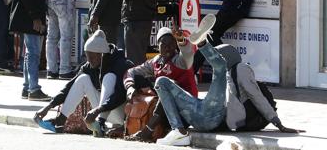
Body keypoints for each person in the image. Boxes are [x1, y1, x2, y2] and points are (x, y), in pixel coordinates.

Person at [154, 15, 303, 146]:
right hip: (204, 112)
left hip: (211, 115)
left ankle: (202, 43)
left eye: (219, 55)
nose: (216, 58)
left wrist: (278, 123)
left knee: (216, 68)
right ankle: (178, 131)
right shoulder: (225, 76)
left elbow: (258, 97)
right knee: (163, 81)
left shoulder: (241, 69)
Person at [34, 30, 132, 137]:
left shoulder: (120, 64)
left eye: (92, 57)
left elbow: (120, 95)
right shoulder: (89, 66)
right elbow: (68, 87)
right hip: (103, 111)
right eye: (87, 57)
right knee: (82, 79)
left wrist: (98, 110)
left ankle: (101, 124)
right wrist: (49, 106)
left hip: (123, 113)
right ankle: (60, 121)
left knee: (108, 77)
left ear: (102, 55)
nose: (89, 61)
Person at [123, 27, 197, 143]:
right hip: (168, 112)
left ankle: (147, 131)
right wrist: (130, 87)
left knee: (165, 86)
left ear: (176, 45)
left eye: (172, 43)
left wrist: (182, 41)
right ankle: (133, 121)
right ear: (158, 46)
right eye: (164, 44)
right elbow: (131, 72)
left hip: (186, 113)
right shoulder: (156, 62)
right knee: (137, 80)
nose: (168, 47)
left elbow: (188, 54)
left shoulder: (181, 61)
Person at [218, 44, 303, 134]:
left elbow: (255, 96)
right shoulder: (227, 71)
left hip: (247, 119)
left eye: (218, 58)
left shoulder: (240, 69)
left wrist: (277, 122)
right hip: (241, 120)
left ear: (227, 57)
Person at [10, 0, 51, 101]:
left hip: (33, 15)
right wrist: (35, 17)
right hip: (30, 17)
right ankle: (34, 89)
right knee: (33, 53)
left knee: (30, 53)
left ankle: (27, 87)